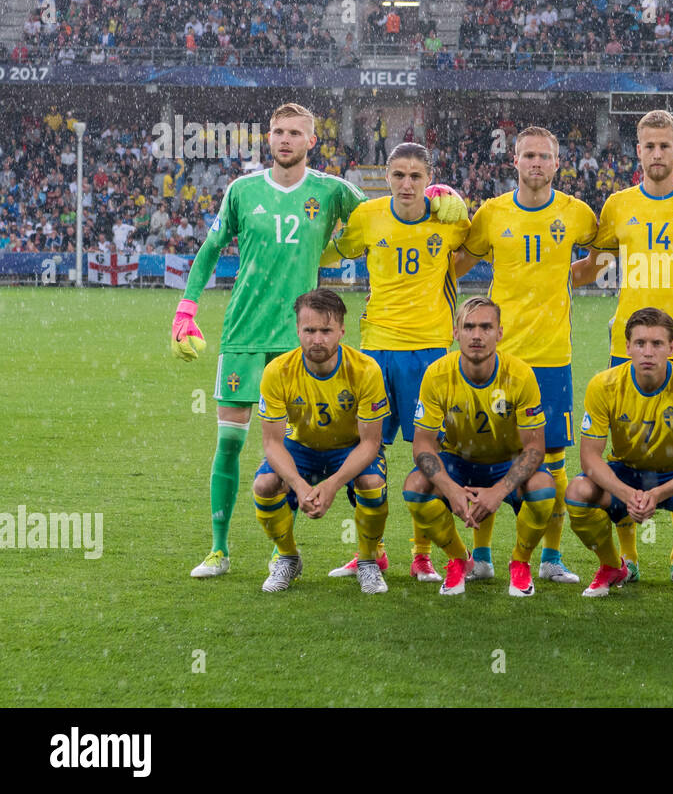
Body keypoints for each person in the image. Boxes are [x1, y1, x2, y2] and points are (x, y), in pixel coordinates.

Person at [173, 102, 463, 580]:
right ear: (269, 138)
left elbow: (391, 210)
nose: (285, 140)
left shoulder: (332, 191)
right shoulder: (242, 191)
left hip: (303, 341)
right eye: (278, 132)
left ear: (312, 141)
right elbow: (209, 250)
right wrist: (186, 308)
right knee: (228, 444)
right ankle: (218, 550)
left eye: (295, 133)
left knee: (296, 444)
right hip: (243, 332)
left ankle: (281, 554)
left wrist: (439, 195)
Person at [571, 110, 673, 583]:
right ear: (637, 150)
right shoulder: (618, 205)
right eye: (648, 146)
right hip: (629, 347)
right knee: (625, 453)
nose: (656, 153)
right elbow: (594, 265)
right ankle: (627, 557)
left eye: (665, 145)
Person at [451, 126, 599, 586]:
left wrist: (561, 279)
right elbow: (457, 264)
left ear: (558, 163)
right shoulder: (492, 214)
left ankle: (550, 558)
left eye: (545, 156)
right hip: (498, 360)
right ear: (513, 160)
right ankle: (481, 557)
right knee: (487, 457)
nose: (536, 163)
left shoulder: (576, 213)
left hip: (553, 358)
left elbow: (596, 262)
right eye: (528, 155)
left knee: (552, 464)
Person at [318, 142, 469, 580]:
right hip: (377, 350)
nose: (406, 183)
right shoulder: (367, 217)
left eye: (416, 176)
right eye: (399, 175)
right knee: (366, 453)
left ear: (428, 179)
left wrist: (459, 201)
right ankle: (373, 551)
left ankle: (423, 553)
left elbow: (478, 242)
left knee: (431, 455)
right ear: (386, 177)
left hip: (431, 351)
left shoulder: (448, 220)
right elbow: (334, 253)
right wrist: (296, 253)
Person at [565, 307, 673, 602]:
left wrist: (658, 493)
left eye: (656, 344)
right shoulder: (602, 386)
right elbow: (590, 458)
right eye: (640, 343)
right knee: (578, 491)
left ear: (671, 347)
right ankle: (611, 566)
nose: (648, 352)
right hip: (626, 472)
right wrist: (628, 493)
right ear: (627, 347)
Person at [402, 297, 555, 598]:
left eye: (486, 327)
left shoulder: (521, 374)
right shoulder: (437, 374)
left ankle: (520, 562)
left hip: (508, 463)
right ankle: (461, 559)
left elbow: (535, 448)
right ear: (455, 332)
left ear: (499, 333)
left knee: (543, 488)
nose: (476, 335)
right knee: (415, 487)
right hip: (459, 462)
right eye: (468, 326)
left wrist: (500, 490)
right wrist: (450, 488)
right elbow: (422, 443)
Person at [253, 290, 391, 595]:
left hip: (351, 448)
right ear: (298, 330)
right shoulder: (277, 371)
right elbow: (272, 444)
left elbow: (370, 444)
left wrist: (332, 485)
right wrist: (300, 486)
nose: (318, 339)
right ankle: (288, 557)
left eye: (326, 331)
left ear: (342, 331)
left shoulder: (366, 370)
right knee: (264, 485)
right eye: (310, 330)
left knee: (371, 482)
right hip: (300, 449)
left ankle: (368, 560)